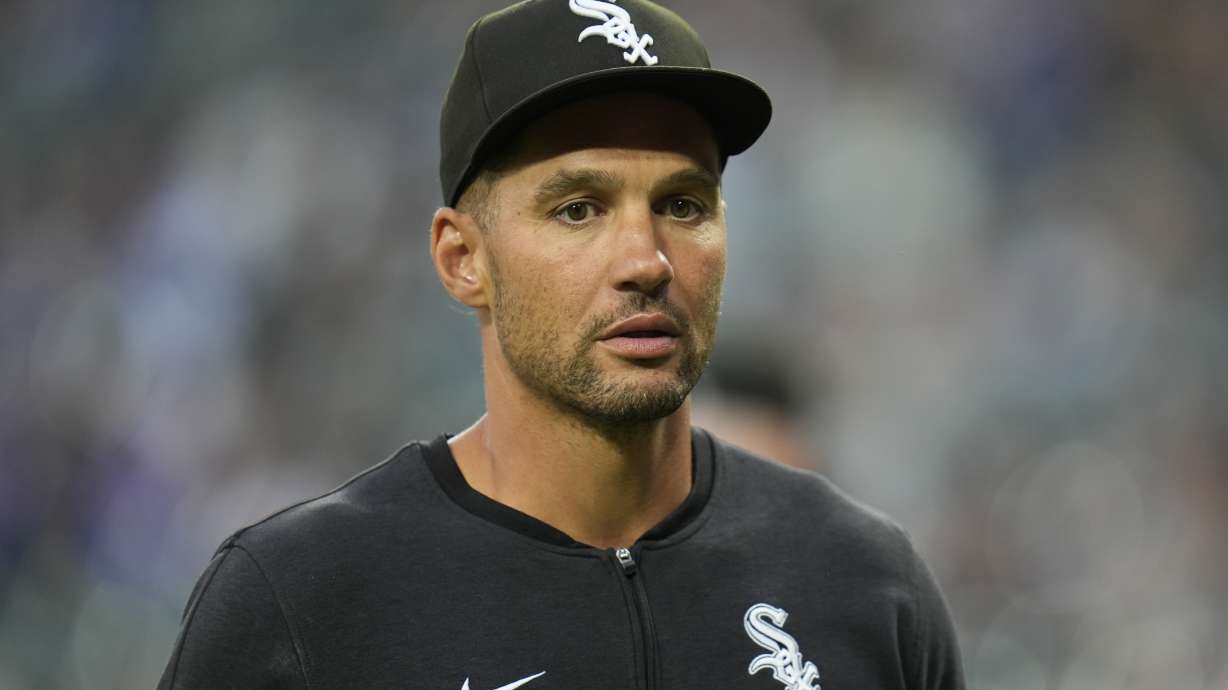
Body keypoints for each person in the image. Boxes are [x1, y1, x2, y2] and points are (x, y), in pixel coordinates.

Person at [158, 2, 965, 689]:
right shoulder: (302, 602)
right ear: (462, 259)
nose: (646, 261)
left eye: (684, 204)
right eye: (578, 209)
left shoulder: (866, 584)